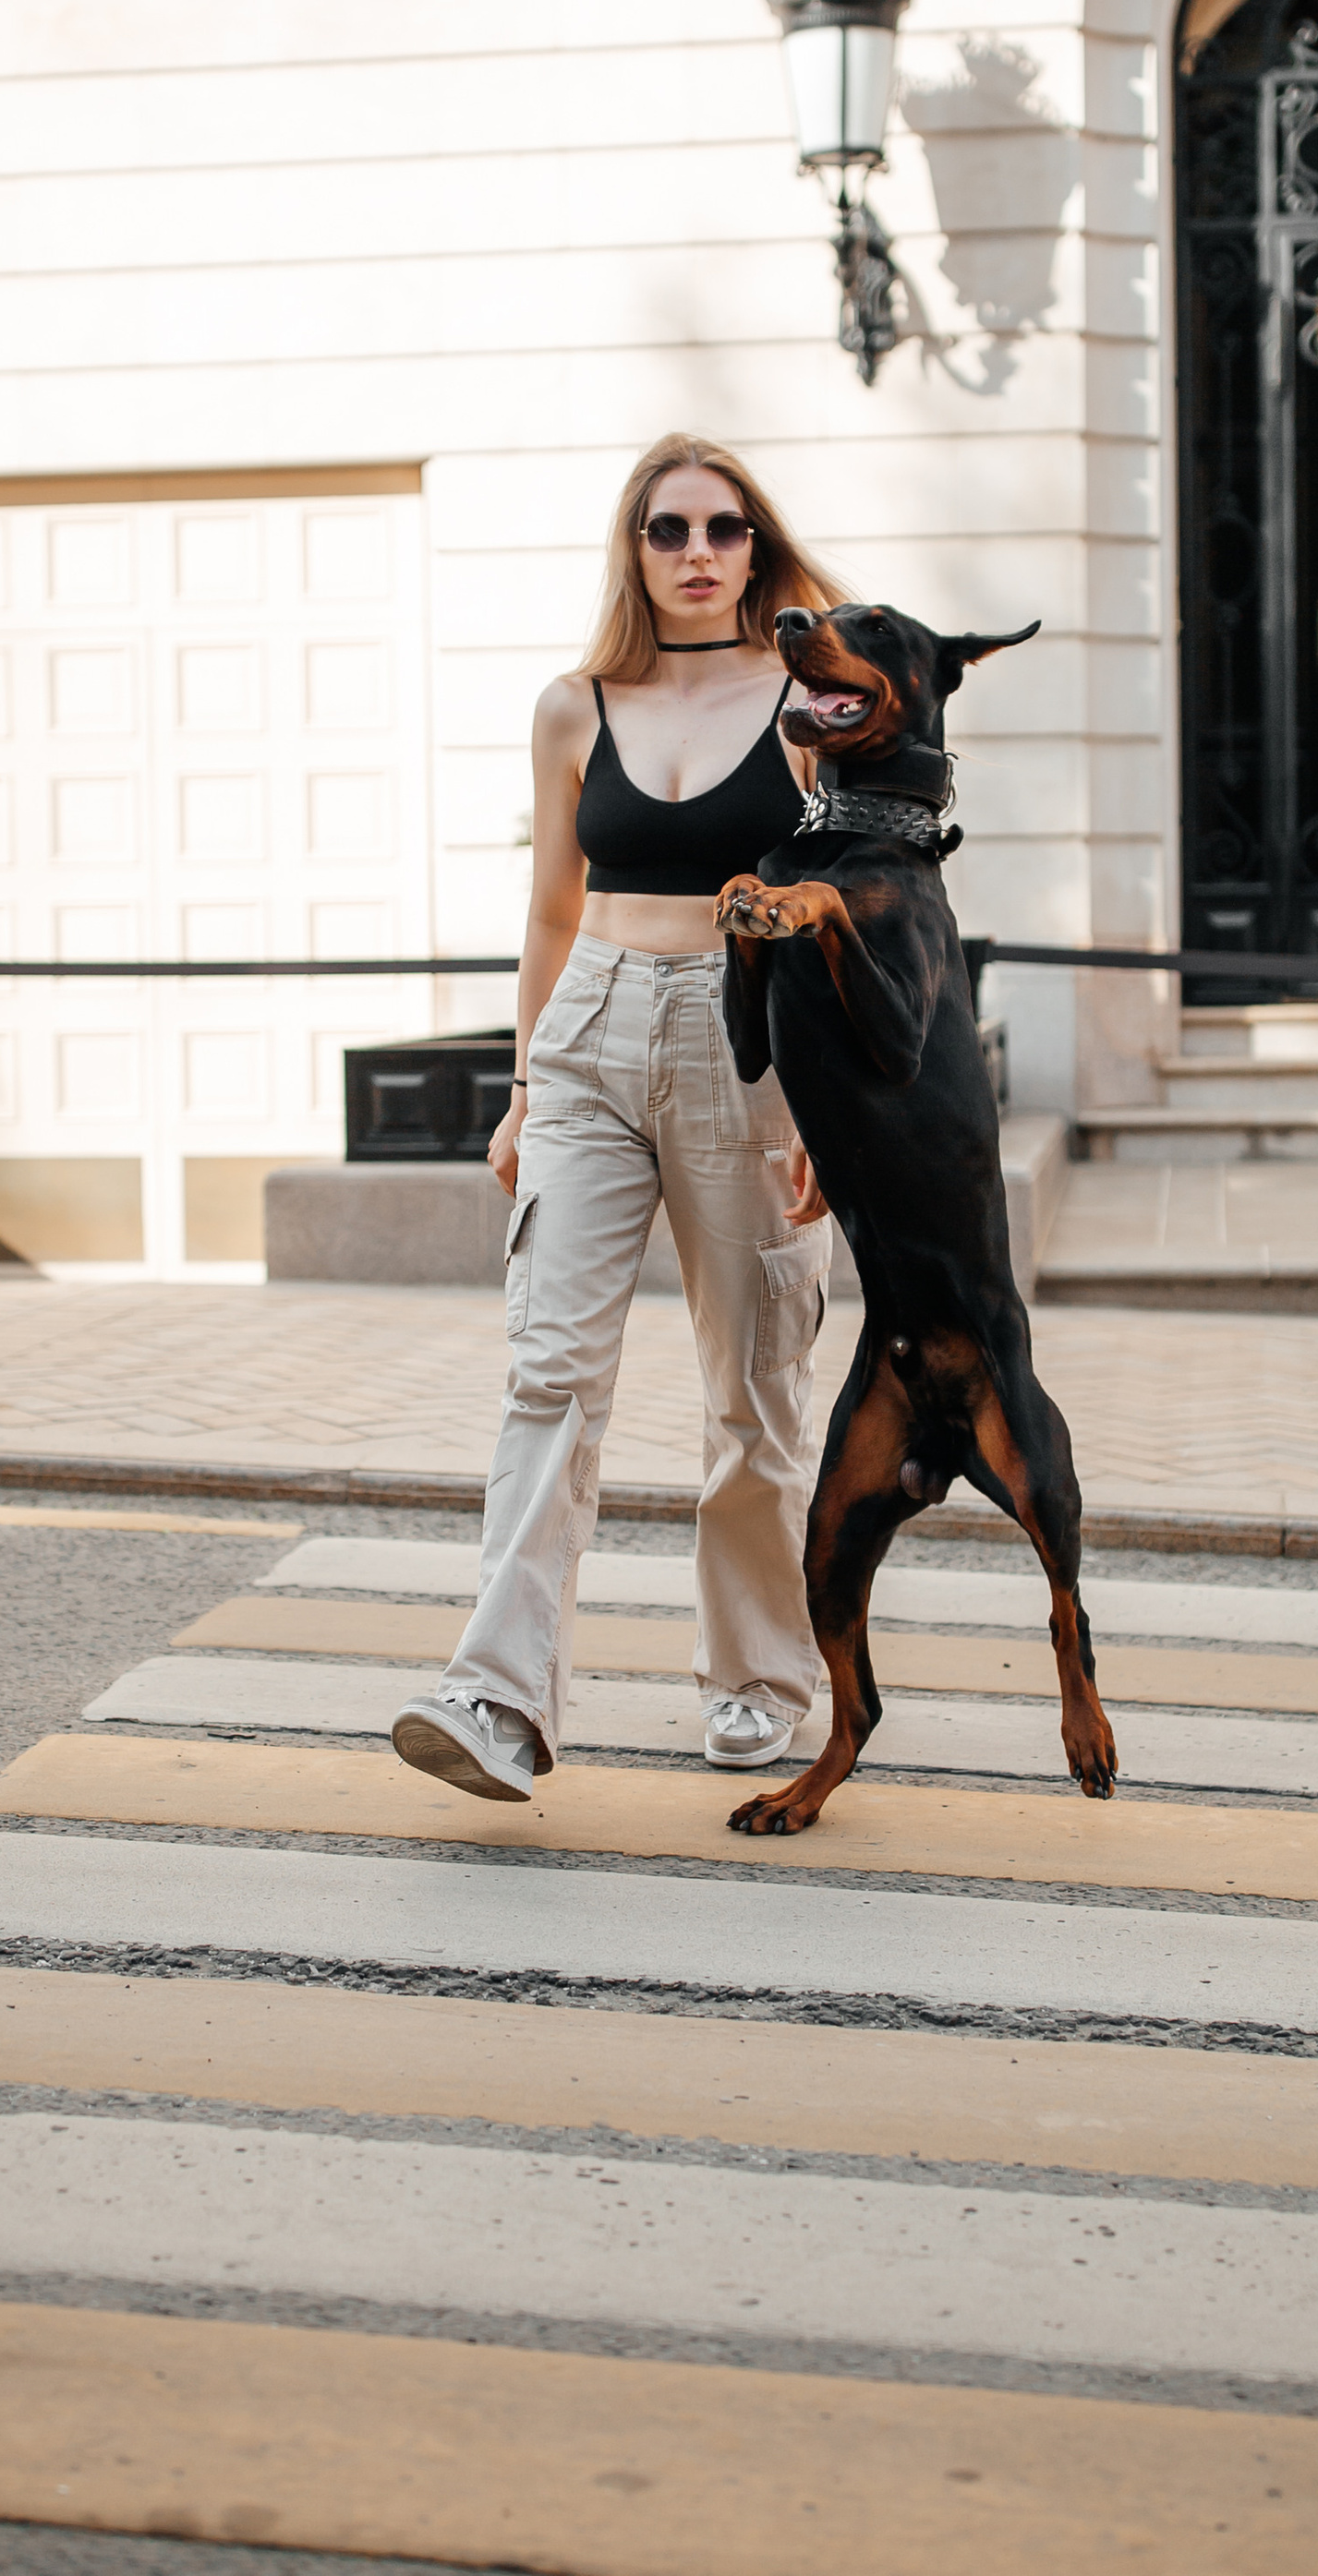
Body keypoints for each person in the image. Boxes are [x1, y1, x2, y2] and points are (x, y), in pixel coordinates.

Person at [391, 434, 844, 1804]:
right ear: (634, 548)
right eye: (667, 530)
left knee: (755, 1388)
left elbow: (851, 911)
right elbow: (547, 911)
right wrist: (526, 1087)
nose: (695, 553)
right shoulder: (573, 706)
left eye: (720, 529)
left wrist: (834, 1097)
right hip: (590, 1035)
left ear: (755, 547)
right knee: (549, 1373)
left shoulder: (813, 699)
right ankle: (500, 1697)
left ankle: (763, 1683)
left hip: (750, 1039)